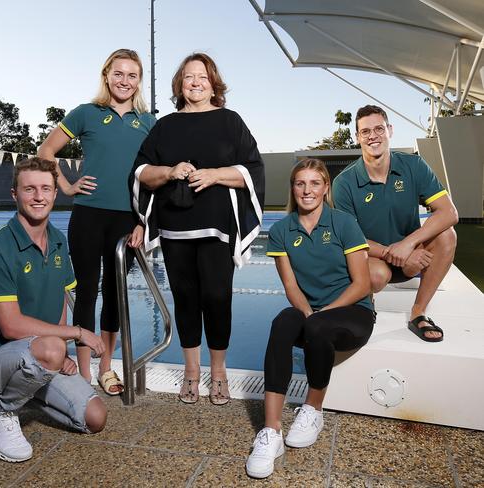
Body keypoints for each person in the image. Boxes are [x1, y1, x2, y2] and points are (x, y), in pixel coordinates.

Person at [131, 53, 264, 405]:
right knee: (186, 299)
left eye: (202, 77)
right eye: (189, 77)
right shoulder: (165, 126)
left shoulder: (230, 121)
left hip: (217, 227)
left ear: (213, 83)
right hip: (176, 227)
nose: (195, 82)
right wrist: (171, 171)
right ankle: (191, 372)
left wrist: (215, 174)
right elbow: (141, 171)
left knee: (218, 298)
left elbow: (253, 170)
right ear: (180, 84)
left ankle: (218, 372)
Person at [0, 157, 107, 463]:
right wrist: (76, 334)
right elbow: (11, 327)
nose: (39, 196)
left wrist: (62, 353)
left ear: (55, 193)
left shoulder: (59, 242)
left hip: (37, 355)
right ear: (15, 194)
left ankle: (26, 387)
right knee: (49, 348)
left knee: (95, 419)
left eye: (46, 189)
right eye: (30, 189)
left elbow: (61, 299)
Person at [246, 159, 375, 479]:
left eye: (314, 183)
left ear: (325, 188)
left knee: (317, 326)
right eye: (300, 183)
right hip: (312, 312)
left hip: (353, 312)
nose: (307, 190)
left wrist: (321, 314)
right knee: (282, 322)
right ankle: (271, 432)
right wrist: (307, 313)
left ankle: (313, 410)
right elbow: (291, 287)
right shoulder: (280, 231)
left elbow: (363, 284)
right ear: (292, 188)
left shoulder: (343, 223)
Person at [38, 49, 155, 395]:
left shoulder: (148, 122)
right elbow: (46, 151)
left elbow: (155, 177)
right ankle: (85, 372)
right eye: (119, 73)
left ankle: (107, 368)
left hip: (128, 218)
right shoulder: (86, 114)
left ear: (139, 81)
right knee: (87, 291)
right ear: (106, 75)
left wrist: (144, 221)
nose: (125, 81)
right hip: (89, 214)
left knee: (115, 294)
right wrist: (67, 186)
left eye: (132, 75)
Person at [333, 105, 458, 342]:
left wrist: (408, 245)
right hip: (373, 259)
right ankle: (364, 305)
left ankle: (418, 312)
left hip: (412, 257)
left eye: (379, 128)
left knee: (447, 235)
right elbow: (349, 239)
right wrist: (395, 253)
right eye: (365, 131)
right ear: (357, 137)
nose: (373, 136)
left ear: (390, 130)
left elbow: (449, 212)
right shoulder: (344, 182)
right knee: (377, 276)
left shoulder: (414, 165)